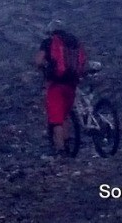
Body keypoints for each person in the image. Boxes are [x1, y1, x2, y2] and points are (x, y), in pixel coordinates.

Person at [35, 28, 86, 157]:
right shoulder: (73, 42)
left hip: (56, 84)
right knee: (65, 115)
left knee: (56, 117)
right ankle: (68, 143)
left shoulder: (49, 42)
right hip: (71, 85)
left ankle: (61, 149)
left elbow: (39, 61)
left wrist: (42, 67)